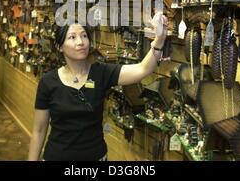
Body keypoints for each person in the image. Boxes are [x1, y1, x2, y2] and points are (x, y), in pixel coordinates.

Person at [28, 14, 167, 161]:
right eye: (72, 37)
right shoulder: (48, 82)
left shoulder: (101, 73)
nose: (80, 42)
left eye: (84, 36)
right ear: (59, 46)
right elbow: (39, 130)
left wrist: (160, 39)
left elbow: (142, 70)